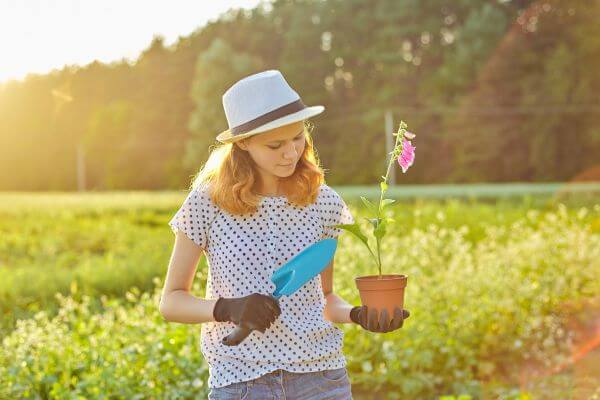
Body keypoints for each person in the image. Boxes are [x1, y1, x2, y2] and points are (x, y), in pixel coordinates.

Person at [159, 70, 410, 399]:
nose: (291, 153)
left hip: (321, 379)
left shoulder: (323, 202)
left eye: (297, 138)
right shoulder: (208, 203)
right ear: (244, 143)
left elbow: (325, 300)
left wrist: (358, 315)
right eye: (275, 145)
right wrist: (227, 309)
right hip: (241, 382)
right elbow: (171, 302)